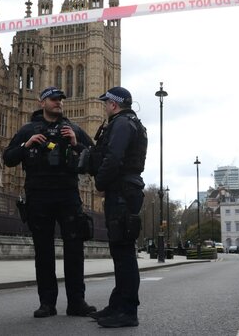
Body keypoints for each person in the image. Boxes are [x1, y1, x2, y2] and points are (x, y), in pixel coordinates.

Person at [3, 86, 96, 318]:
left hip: (68, 195)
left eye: (61, 99)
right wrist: (27, 145)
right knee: (43, 253)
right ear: (41, 102)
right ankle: (47, 303)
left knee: (74, 251)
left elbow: (95, 159)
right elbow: (8, 158)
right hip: (38, 196)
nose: (59, 103)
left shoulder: (73, 129)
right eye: (54, 99)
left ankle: (77, 302)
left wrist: (76, 144)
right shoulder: (28, 130)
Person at [88, 87, 148, 328]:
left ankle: (128, 311)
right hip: (126, 189)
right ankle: (117, 304)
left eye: (106, 103)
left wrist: (100, 182)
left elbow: (113, 156)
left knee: (124, 254)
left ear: (113, 104)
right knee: (120, 251)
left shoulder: (122, 124)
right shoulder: (133, 123)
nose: (104, 107)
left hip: (122, 191)